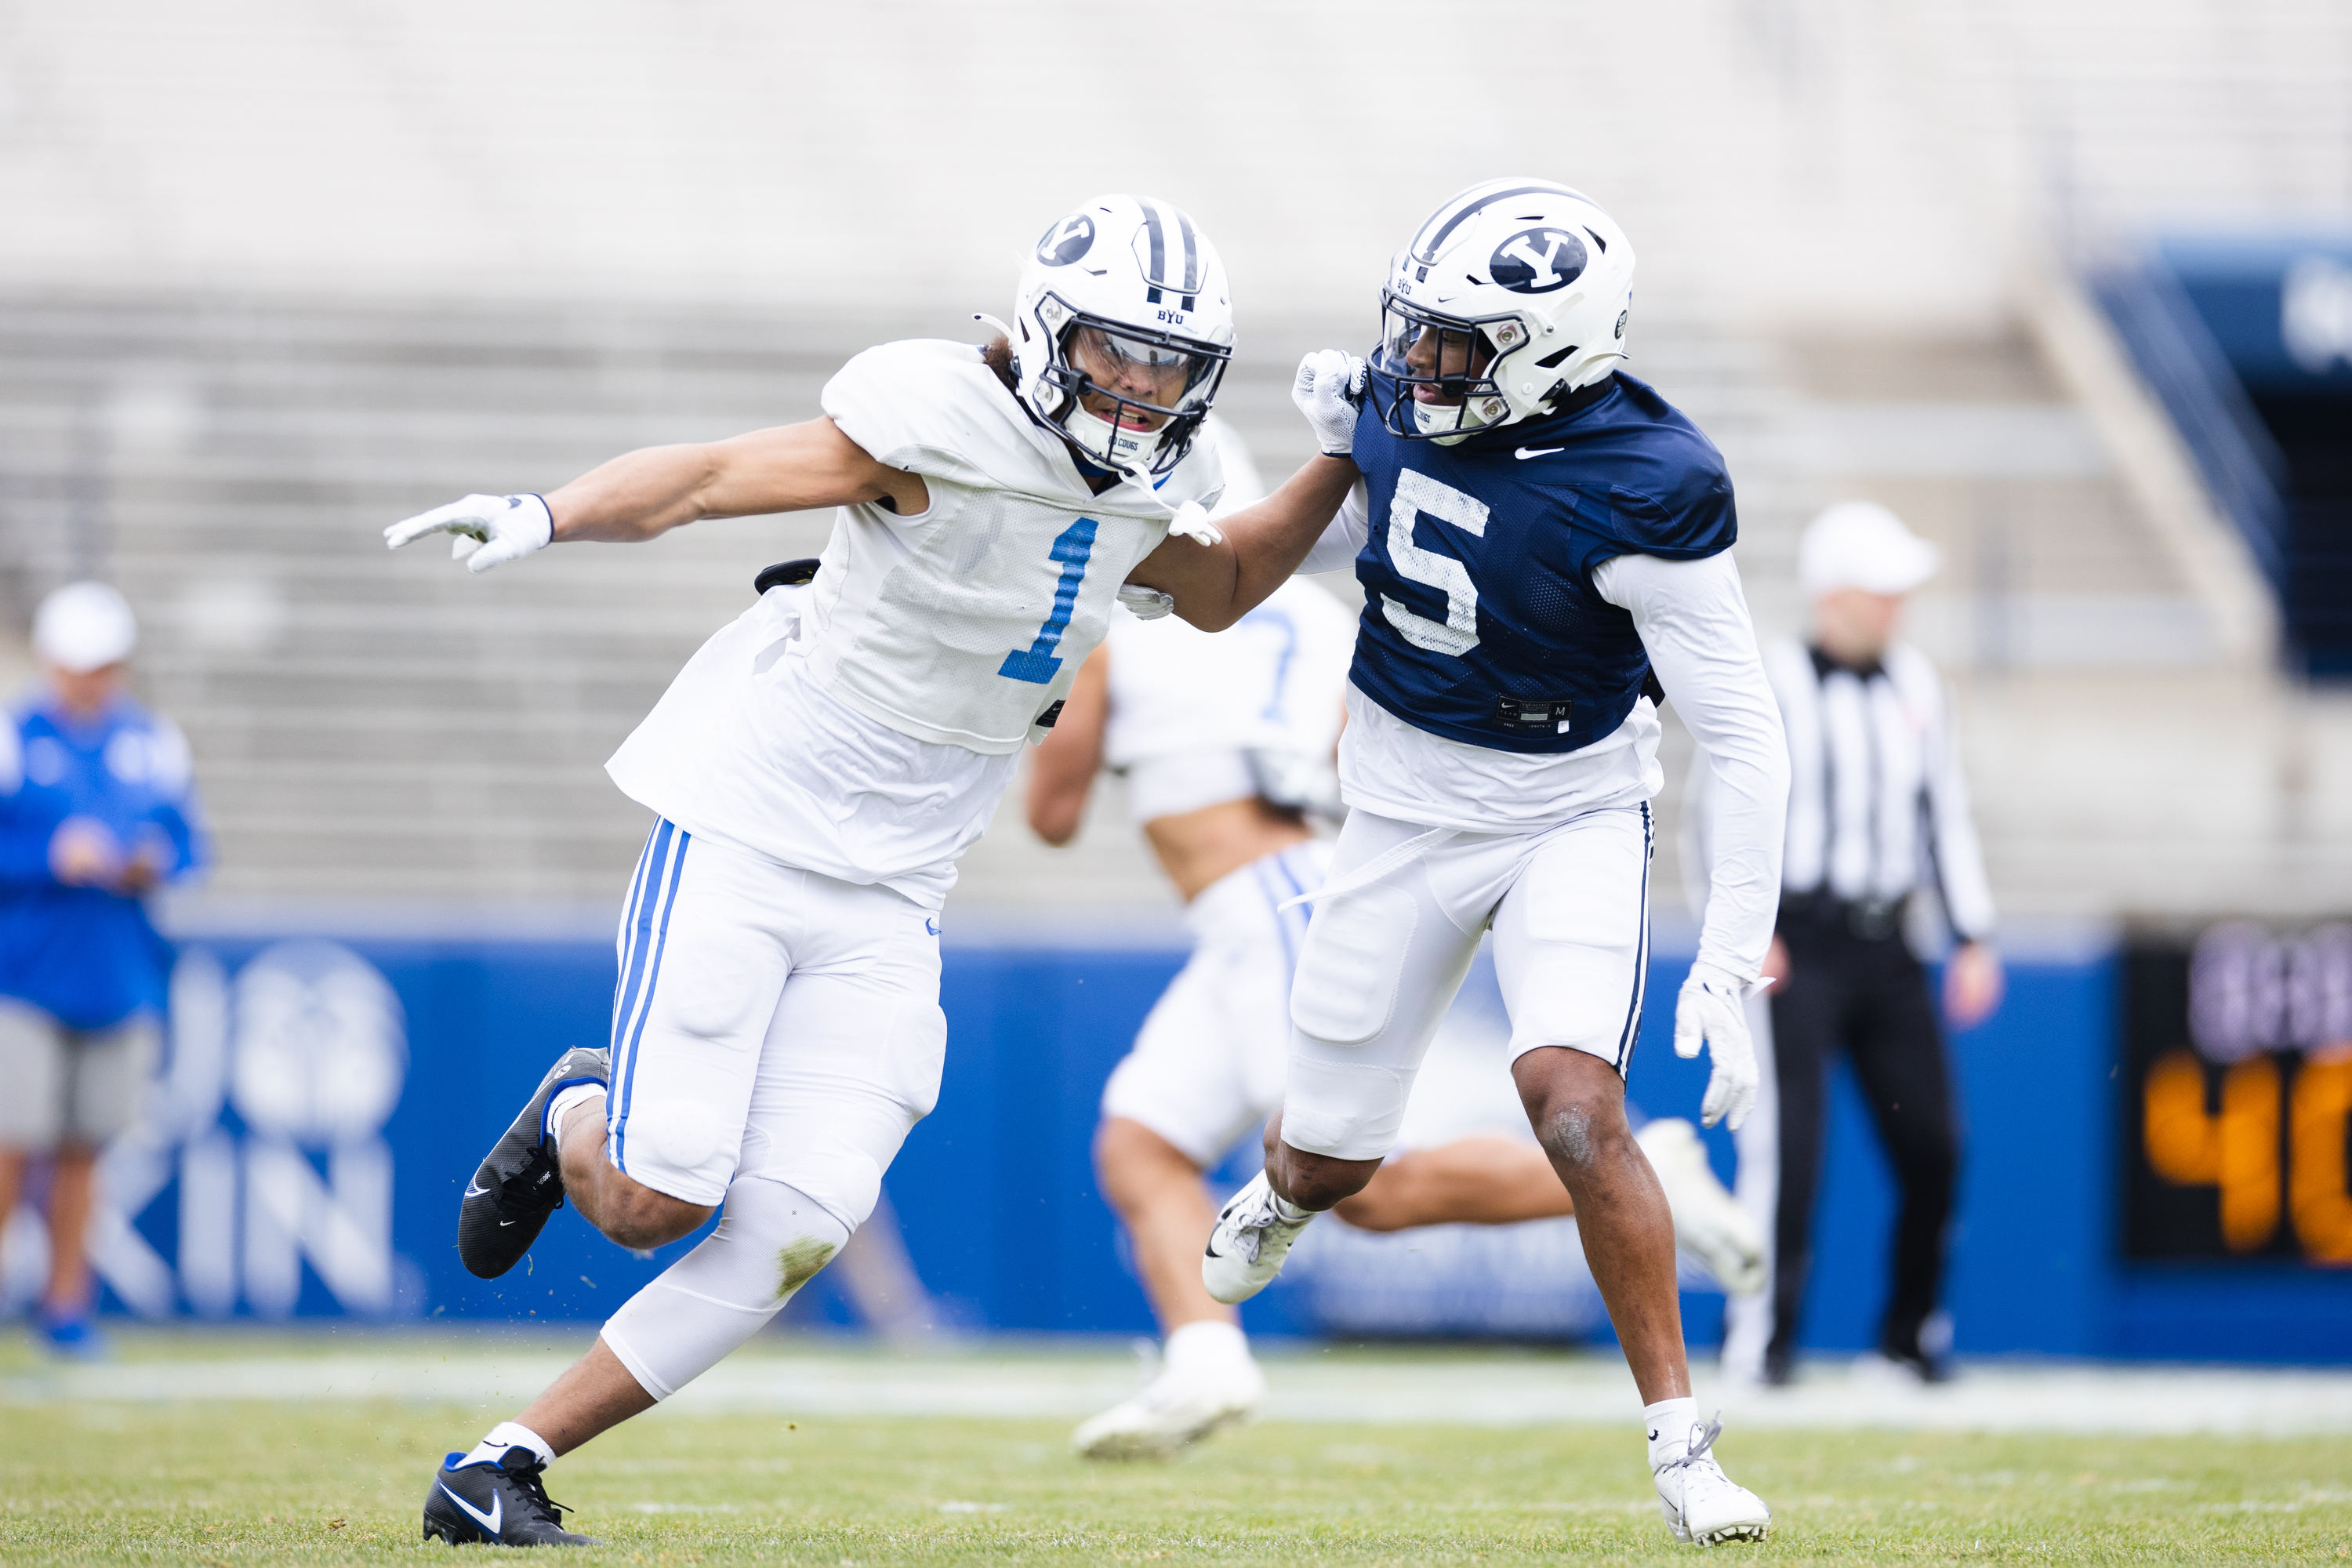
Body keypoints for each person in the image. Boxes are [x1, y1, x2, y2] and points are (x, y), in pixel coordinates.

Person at [382, 194, 1369, 1547]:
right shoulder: (937, 416)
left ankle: (501, 1463)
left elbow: (1227, 584)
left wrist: (1339, 458)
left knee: (797, 1224)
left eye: (1168, 365)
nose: (1142, 387)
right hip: (748, 832)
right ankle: (578, 1113)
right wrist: (545, 513)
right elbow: (707, 478)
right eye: (1116, 352)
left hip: (899, 889)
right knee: (655, 1203)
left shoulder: (1156, 483)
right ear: (1046, 331)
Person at [1193, 178, 1790, 1548]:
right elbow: (1350, 540)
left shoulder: (1652, 484)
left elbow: (1744, 736)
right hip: (1396, 813)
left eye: (1456, 341)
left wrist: (1727, 957)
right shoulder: (1398, 403)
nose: (1420, 360)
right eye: (1415, 329)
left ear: (1555, 350)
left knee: (1573, 1108)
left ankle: (1681, 1447)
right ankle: (1283, 1194)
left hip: (1567, 810)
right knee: (1329, 1163)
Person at [1029, 423, 1762, 1460]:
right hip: (1283, 893)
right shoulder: (1320, 613)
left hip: (1264, 899)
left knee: (1363, 1184)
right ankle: (1206, 1358)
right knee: (1142, 1140)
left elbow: (1051, 814)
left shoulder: (1130, 617)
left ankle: (1648, 1177)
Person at [1707, 500, 2002, 1388]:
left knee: (1935, 1145)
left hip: (1890, 945)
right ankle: (1763, 1345)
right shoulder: (1775, 678)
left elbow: (1944, 811)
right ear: (1833, 594)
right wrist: (1747, 930)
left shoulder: (1918, 684)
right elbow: (1727, 807)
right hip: (1798, 941)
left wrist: (1973, 934)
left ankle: (1909, 1337)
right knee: (1790, 1153)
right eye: (1881, 591)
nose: (1897, 607)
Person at [0, 582, 208, 1357]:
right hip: (21, 974)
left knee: (85, 1149)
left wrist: (154, 862)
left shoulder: (152, 741)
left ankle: (66, 1304)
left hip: (117, 976)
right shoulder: (14, 736)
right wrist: (48, 857)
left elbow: (191, 845)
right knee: (11, 1140)